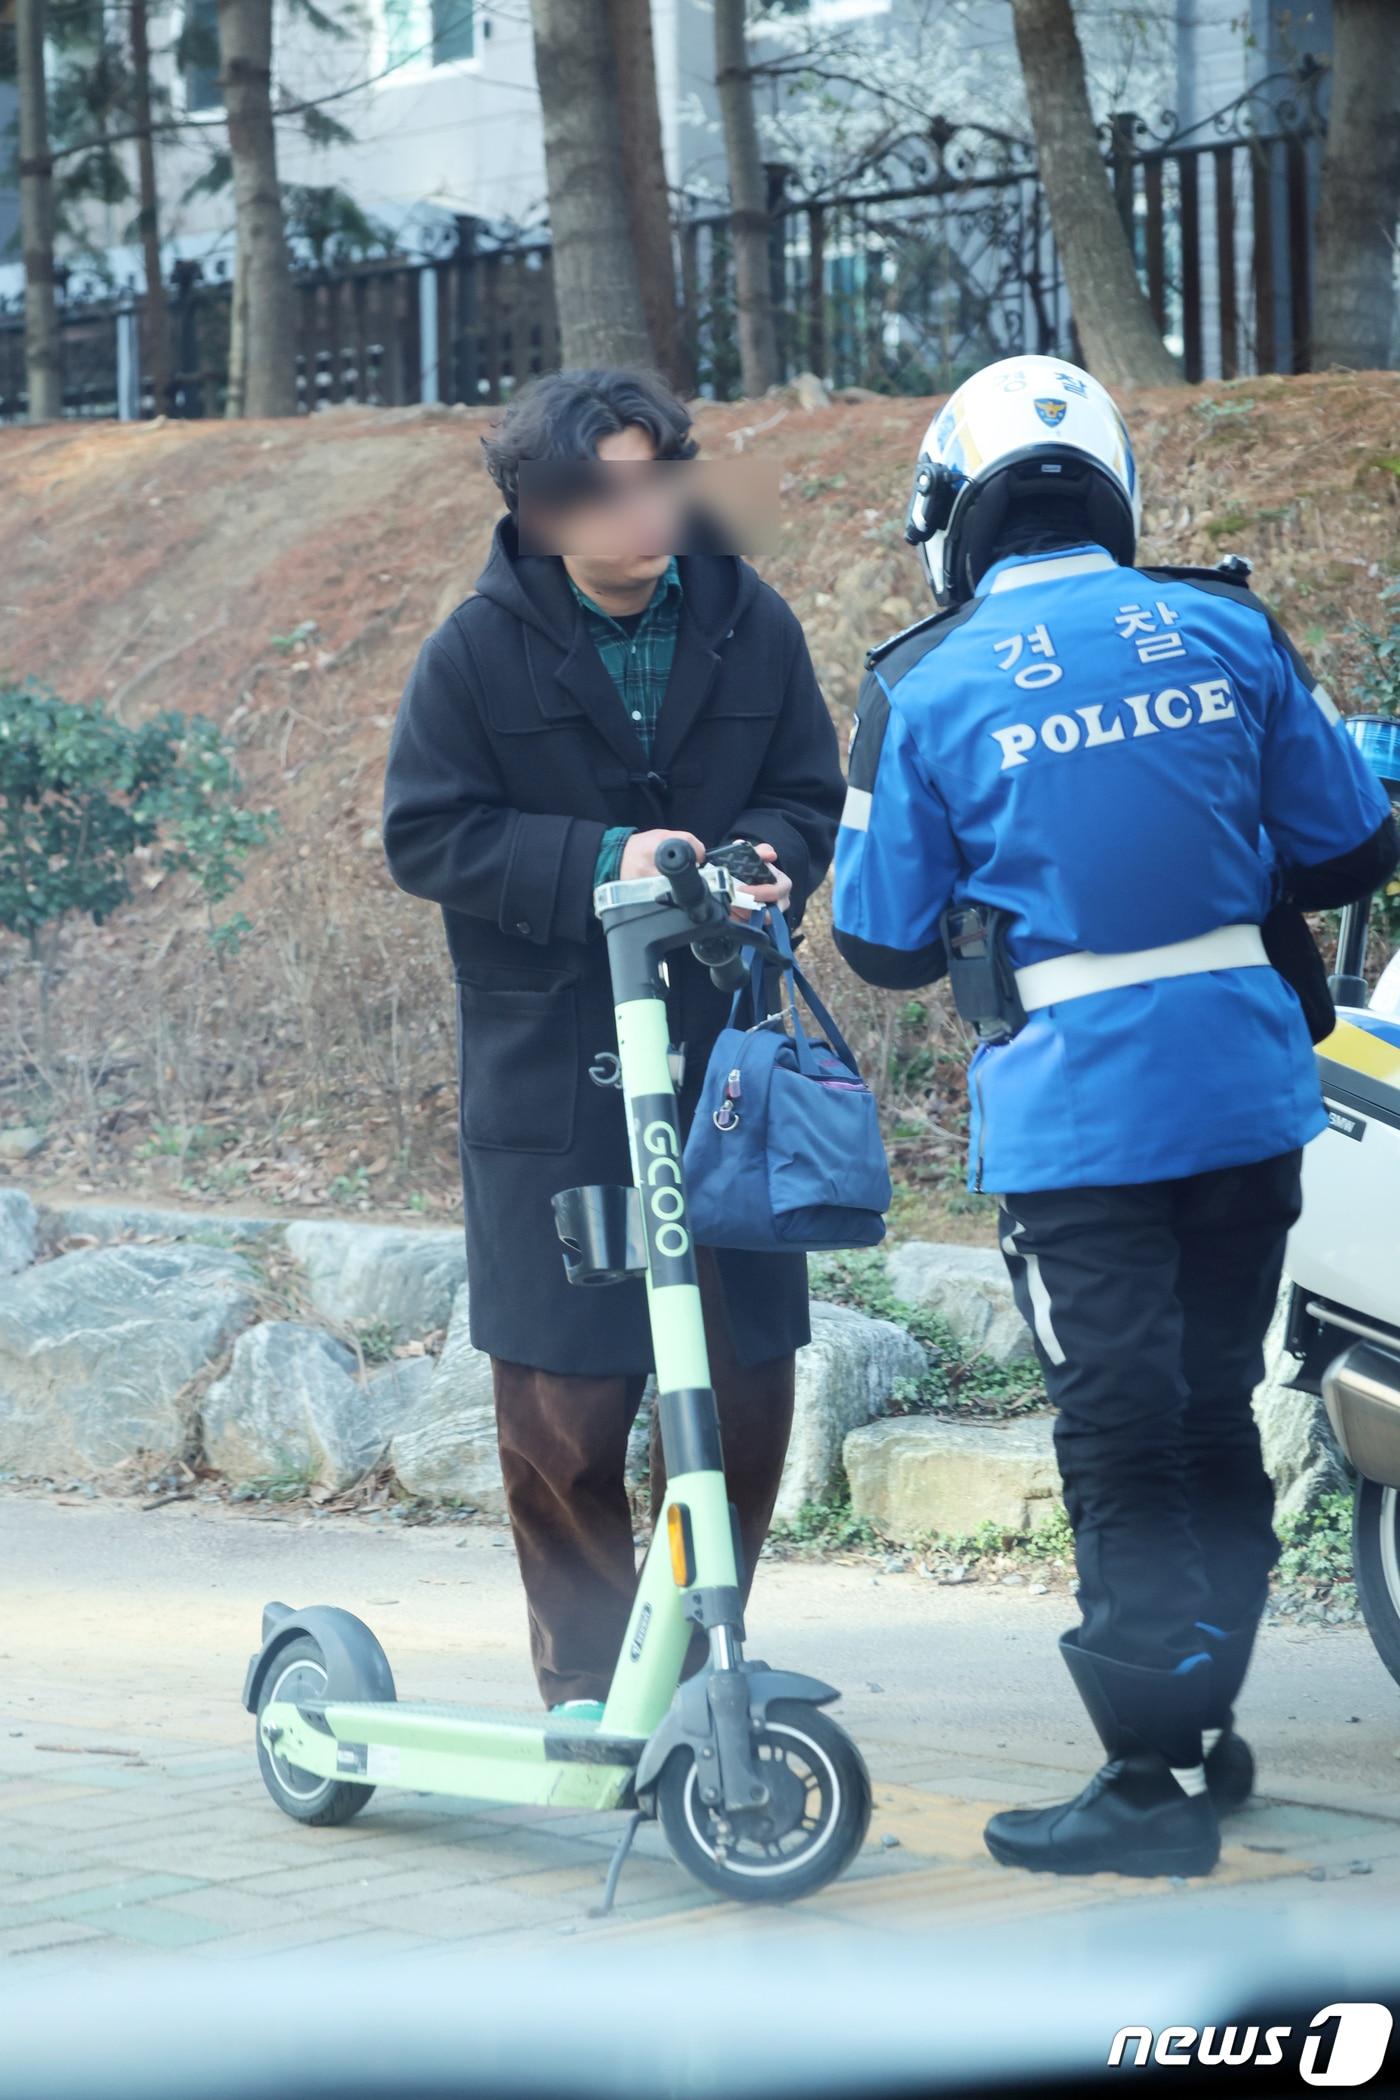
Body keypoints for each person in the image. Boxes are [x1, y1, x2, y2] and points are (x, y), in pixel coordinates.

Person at [832, 353, 1398, 1879]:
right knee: (1211, 1404)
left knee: (1119, 1422)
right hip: (1243, 1090)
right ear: (1111, 494)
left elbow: (878, 943)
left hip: (1078, 1119)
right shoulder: (1226, 625)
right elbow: (1350, 846)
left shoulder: (923, 684)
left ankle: (1145, 1786)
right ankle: (1200, 1729)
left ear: (958, 513)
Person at [382, 368, 843, 1719]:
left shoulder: (749, 621)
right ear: (535, 510)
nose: (637, 509)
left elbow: (807, 792)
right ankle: (590, 1688)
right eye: (600, 487)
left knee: (744, 1395)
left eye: (656, 474)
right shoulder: (475, 648)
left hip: (725, 1073)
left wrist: (763, 862)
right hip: (555, 1078)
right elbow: (427, 833)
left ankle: (702, 1671)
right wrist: (605, 859)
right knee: (566, 1415)